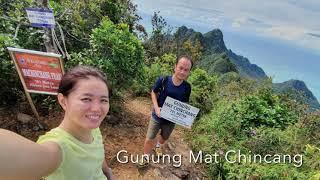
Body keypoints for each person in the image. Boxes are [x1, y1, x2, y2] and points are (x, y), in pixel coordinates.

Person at [0, 65, 115, 180]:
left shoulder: (94, 129)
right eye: (86, 99)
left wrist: (107, 172)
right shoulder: (58, 149)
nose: (96, 108)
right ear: (63, 101)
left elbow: (97, 156)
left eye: (103, 100)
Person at [138, 55, 193, 167]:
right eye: (180, 68)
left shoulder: (187, 87)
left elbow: (184, 104)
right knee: (149, 138)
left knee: (164, 137)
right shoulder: (163, 80)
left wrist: (186, 120)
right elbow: (153, 92)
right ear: (175, 67)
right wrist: (157, 108)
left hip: (170, 120)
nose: (182, 72)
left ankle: (158, 146)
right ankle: (145, 157)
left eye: (186, 70)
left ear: (189, 72)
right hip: (157, 116)